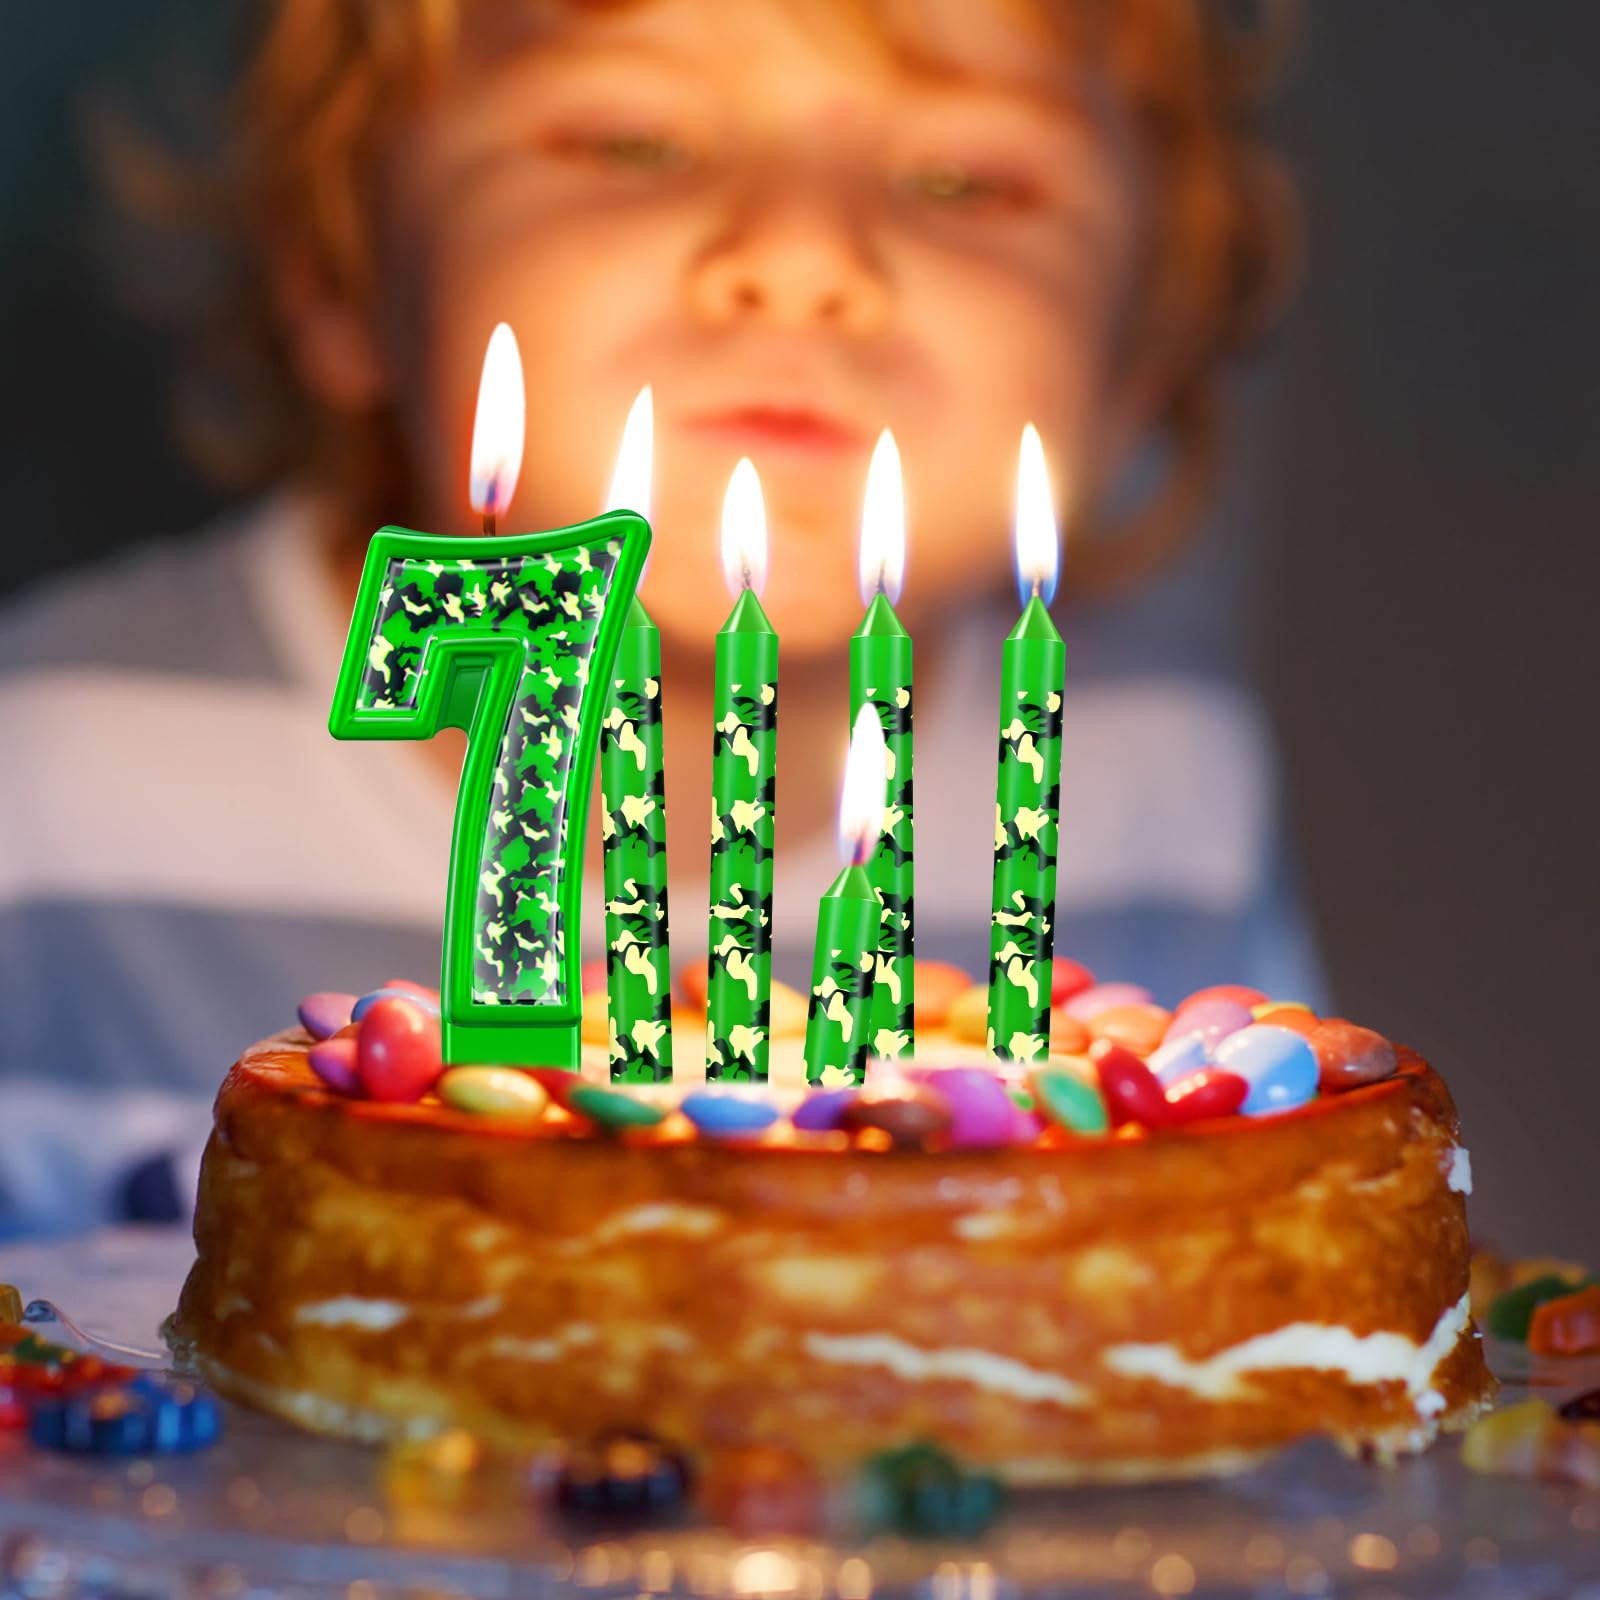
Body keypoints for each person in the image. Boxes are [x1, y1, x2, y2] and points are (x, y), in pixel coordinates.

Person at [0, 0, 1317, 1236]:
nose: (801, 262)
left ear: (1141, 349)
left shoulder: (1160, 773)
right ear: (342, 278)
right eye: (632, 142)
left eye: (963, 181)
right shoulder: (56, 770)